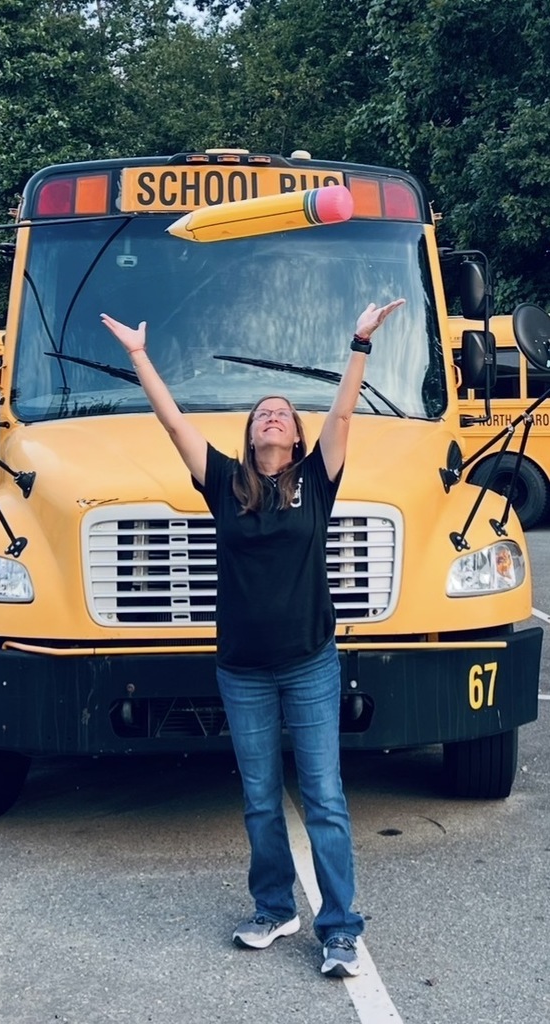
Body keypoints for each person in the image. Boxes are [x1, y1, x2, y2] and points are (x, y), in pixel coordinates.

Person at [100, 296, 404, 978]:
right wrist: (140, 357)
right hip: (240, 669)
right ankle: (273, 909)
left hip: (309, 665)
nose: (272, 415)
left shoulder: (316, 482)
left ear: (294, 438)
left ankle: (339, 929)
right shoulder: (224, 483)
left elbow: (344, 412)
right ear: (251, 434)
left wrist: (358, 342)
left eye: (283, 415)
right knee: (260, 797)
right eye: (262, 413)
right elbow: (171, 421)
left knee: (323, 796)